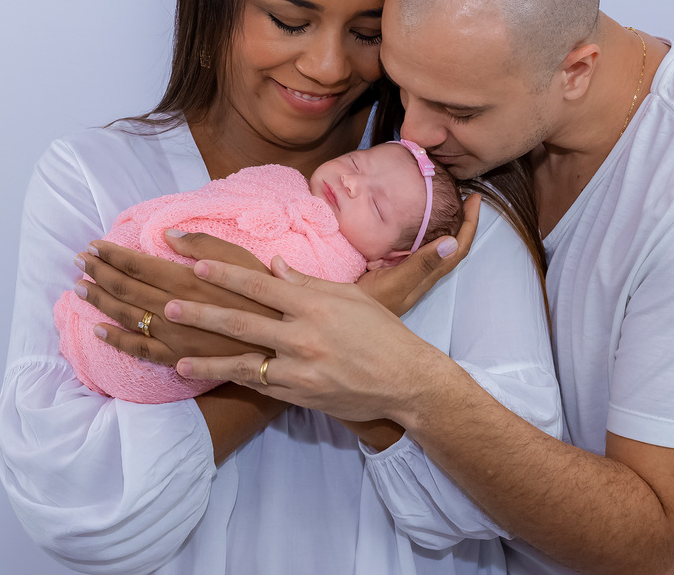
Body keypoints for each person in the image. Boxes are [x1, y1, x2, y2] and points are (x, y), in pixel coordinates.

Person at [136, 0, 674, 575]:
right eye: (405, 90)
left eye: (457, 111)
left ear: (575, 70)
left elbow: (646, 552)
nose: (416, 133)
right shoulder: (487, 127)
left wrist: (408, 379)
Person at [0, 0, 562, 575]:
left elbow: (501, 507)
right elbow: (84, 512)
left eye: (367, 33)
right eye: (289, 20)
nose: (328, 67)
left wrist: (280, 357)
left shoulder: (444, 221)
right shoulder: (97, 181)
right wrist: (338, 341)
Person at [56, 141, 462, 404]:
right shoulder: (283, 180)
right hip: (128, 275)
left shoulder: (337, 277)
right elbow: (217, 198)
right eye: (357, 162)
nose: (352, 183)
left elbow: (288, 306)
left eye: (377, 206)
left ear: (388, 260)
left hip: (161, 348)